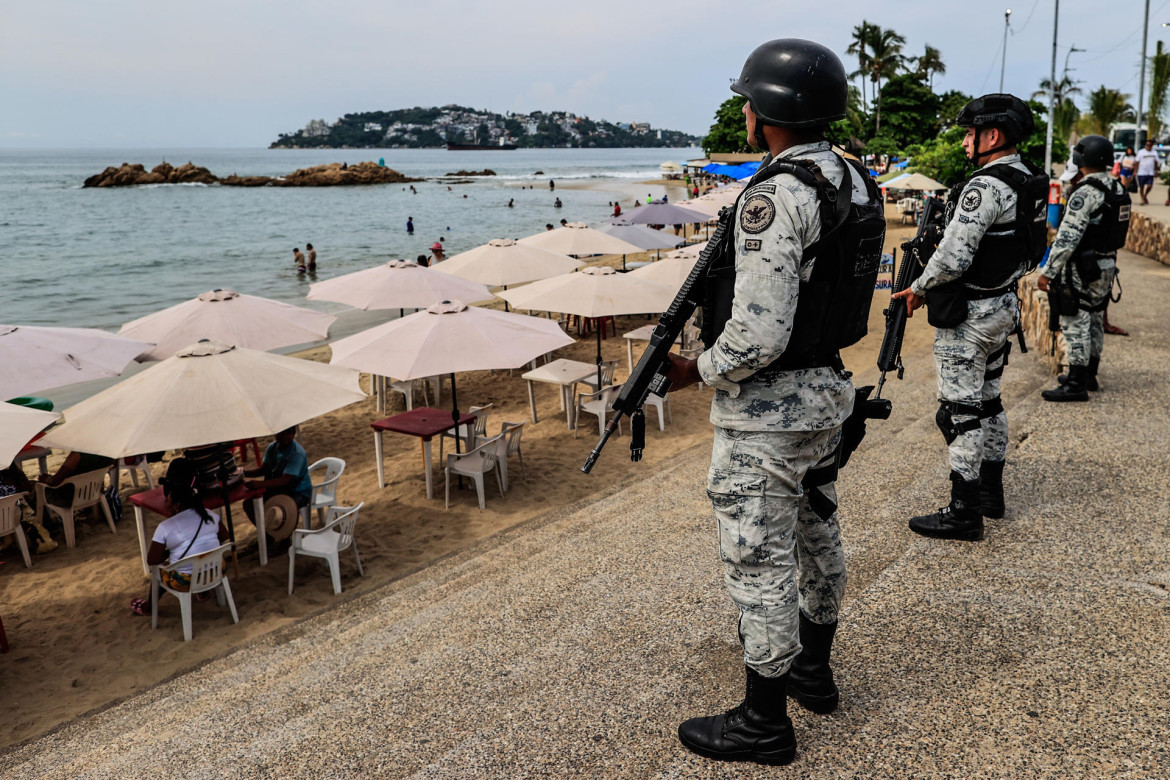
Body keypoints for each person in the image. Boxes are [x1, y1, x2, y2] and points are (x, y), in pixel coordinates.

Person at [663, 38, 884, 766]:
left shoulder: (776, 194)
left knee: (759, 560)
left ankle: (764, 721)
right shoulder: (854, 180)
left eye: (751, 101)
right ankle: (813, 673)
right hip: (827, 392)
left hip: (770, 412)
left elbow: (758, 334)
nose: (747, 112)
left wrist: (699, 370)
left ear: (768, 113)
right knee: (818, 532)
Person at [891, 93, 1047, 540]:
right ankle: (991, 495)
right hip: (1003, 306)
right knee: (991, 400)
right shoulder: (1028, 180)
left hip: (970, 318)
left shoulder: (983, 187)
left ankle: (964, 511)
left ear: (992, 135)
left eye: (969, 133)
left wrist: (917, 290)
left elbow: (952, 259)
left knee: (958, 413)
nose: (963, 142)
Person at [1037, 135, 1126, 401]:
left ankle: (1076, 384)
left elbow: (1067, 238)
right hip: (1107, 264)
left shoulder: (1086, 192)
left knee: (1075, 319)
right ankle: (1089, 375)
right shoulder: (1117, 188)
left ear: (1083, 159)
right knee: (1096, 317)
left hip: (1083, 268)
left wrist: (1048, 272)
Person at [130, 458, 230, 616]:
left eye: (168, 499)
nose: (166, 502)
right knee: (201, 554)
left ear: (176, 504)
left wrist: (171, 550)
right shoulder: (210, 515)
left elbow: (152, 560)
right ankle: (204, 592)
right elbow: (225, 535)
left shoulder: (165, 527)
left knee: (159, 574)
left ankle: (149, 607)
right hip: (216, 571)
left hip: (186, 581)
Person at [242, 427, 312, 528]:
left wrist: (259, 484)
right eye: (280, 433)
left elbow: (285, 480)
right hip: (278, 488)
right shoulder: (272, 447)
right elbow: (264, 469)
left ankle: (286, 538)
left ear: (293, 434)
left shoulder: (297, 453)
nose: (284, 437)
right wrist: (243, 473)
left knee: (286, 509)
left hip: (298, 491)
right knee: (249, 504)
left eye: (287, 433)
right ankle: (267, 534)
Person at [1135, 139, 1160, 205]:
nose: (1148, 146)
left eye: (1150, 145)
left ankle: (1145, 195)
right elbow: (1137, 162)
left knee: (1149, 186)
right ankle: (1142, 199)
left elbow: (1156, 162)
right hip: (1141, 172)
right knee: (1142, 186)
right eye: (1147, 145)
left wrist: (1156, 171)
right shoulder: (1141, 152)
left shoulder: (1154, 152)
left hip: (1150, 172)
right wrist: (1135, 171)